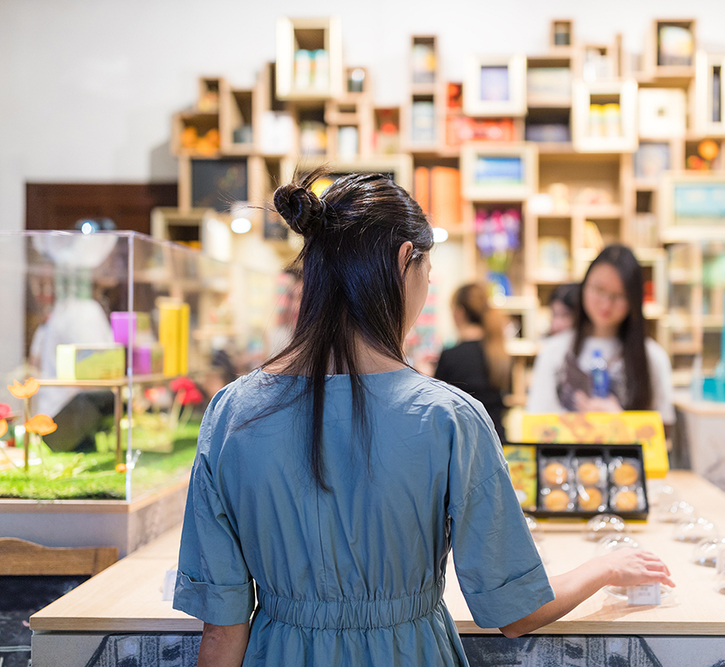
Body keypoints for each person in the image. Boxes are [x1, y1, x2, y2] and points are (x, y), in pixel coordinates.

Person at [172, 173, 672, 666]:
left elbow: (222, 630)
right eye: (427, 274)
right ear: (404, 260)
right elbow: (515, 611)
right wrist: (606, 566)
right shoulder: (450, 420)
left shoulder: (232, 412)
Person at [527, 245, 675, 430]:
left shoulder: (652, 357)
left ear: (633, 300)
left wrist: (621, 422)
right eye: (598, 290)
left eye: (618, 295)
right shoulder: (553, 351)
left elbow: (664, 433)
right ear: (584, 287)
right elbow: (536, 423)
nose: (606, 304)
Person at [434, 283, 510, 441]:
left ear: (459, 312)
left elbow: (438, 404)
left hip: (465, 443)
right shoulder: (499, 353)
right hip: (497, 439)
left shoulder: (451, 355)